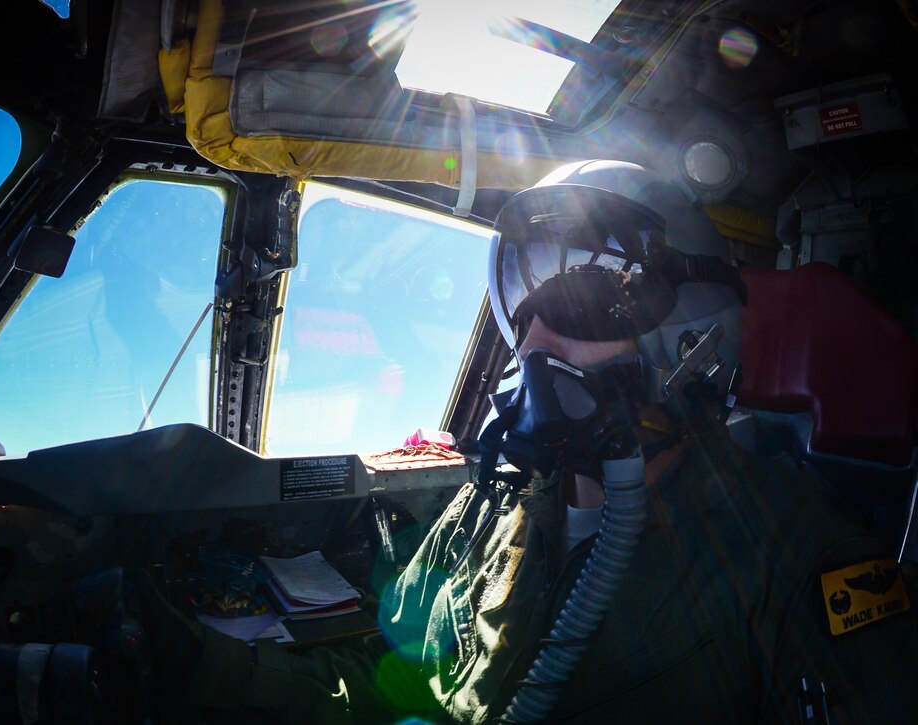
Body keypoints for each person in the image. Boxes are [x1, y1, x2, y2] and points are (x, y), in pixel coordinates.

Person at [136, 160, 917, 723]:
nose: (533, 338)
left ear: (693, 338)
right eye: (519, 302)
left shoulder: (794, 549)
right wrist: (205, 670)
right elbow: (396, 686)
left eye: (579, 297)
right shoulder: (491, 501)